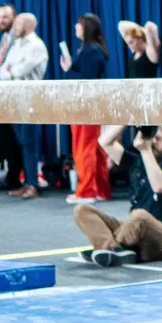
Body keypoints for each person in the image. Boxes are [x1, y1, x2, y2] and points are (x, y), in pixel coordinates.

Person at [78, 125, 162, 267]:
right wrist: (128, 118)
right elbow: (104, 142)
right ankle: (112, 248)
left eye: (158, 139)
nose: (152, 142)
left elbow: (159, 187)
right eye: (150, 137)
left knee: (140, 215)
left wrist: (145, 149)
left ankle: (110, 247)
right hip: (134, 233)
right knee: (82, 210)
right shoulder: (135, 162)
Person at [61, 14, 111, 204]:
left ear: (87, 28)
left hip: (85, 106)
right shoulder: (92, 50)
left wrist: (68, 70)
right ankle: (101, 189)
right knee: (94, 148)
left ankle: (87, 191)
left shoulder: (91, 50)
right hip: (90, 105)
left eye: (79, 24)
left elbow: (86, 81)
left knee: (84, 148)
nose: (76, 26)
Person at [0, 13, 48, 199]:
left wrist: (11, 70)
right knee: (21, 143)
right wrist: (10, 71)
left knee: (30, 142)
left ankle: (33, 184)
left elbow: (19, 70)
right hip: (15, 98)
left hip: (30, 99)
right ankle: (26, 182)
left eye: (18, 24)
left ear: (27, 25)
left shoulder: (36, 45)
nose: (14, 27)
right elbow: (3, 70)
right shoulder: (16, 44)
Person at [0, 4, 22, 191]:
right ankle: (11, 176)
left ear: (14, 18)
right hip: (2, 93)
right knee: (3, 138)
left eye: (5, 17)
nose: (1, 21)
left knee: (13, 138)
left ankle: (16, 178)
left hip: (14, 95)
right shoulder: (4, 38)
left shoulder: (18, 39)